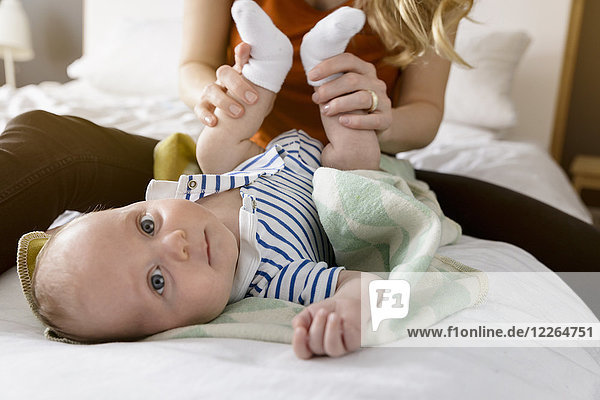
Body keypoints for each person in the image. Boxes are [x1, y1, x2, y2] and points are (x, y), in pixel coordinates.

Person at [0, 0, 598, 279]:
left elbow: (427, 115)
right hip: (238, 161)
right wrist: (213, 94)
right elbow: (190, 68)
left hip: (358, 168)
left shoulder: (428, 5)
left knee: (572, 251)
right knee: (44, 135)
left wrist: (377, 118)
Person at [29, 2, 380, 359]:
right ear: (167, 333)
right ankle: (327, 68)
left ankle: (264, 68)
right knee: (356, 163)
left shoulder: (195, 202)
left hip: (265, 154)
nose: (176, 243)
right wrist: (349, 309)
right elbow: (371, 288)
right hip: (327, 170)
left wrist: (227, 95)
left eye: (147, 225)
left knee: (212, 152)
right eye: (158, 281)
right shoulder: (275, 278)